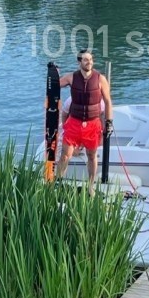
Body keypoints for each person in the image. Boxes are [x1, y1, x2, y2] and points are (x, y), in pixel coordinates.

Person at [58, 49, 113, 193]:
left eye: (91, 59)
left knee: (91, 155)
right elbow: (54, 85)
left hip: (93, 124)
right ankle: (57, 184)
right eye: (85, 60)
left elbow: (108, 102)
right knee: (65, 155)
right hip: (74, 123)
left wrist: (108, 122)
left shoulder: (100, 79)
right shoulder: (71, 77)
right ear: (79, 62)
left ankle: (90, 186)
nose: (89, 62)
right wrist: (52, 72)